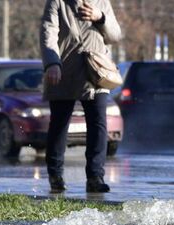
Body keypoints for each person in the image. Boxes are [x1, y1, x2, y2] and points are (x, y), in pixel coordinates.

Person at [40, 0, 121, 193]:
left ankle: (95, 177)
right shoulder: (58, 2)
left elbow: (115, 35)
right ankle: (56, 175)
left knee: (98, 124)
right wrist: (52, 62)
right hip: (64, 70)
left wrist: (100, 17)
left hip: (96, 71)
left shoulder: (101, 2)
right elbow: (48, 32)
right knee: (59, 124)